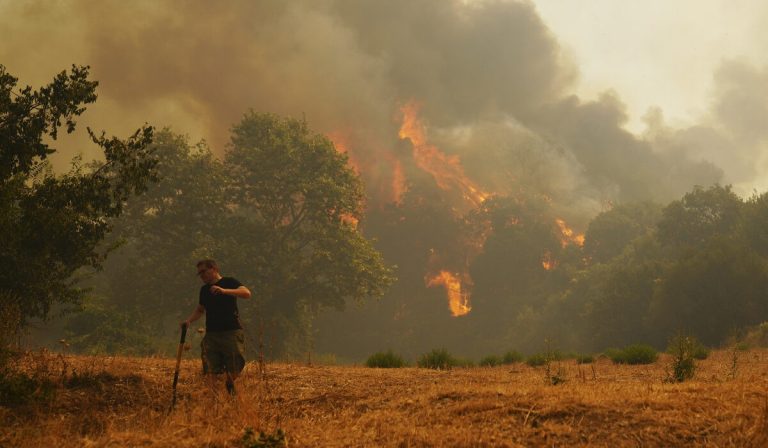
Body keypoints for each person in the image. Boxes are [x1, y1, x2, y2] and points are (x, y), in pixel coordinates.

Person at [182, 259, 251, 396]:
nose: (201, 275)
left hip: (231, 332)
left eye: (204, 271)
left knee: (235, 363)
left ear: (213, 269)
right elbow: (200, 310)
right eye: (199, 273)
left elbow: (246, 293)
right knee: (210, 368)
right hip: (212, 334)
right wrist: (189, 321)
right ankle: (214, 401)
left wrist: (224, 291)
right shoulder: (204, 290)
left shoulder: (229, 282)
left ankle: (230, 383)